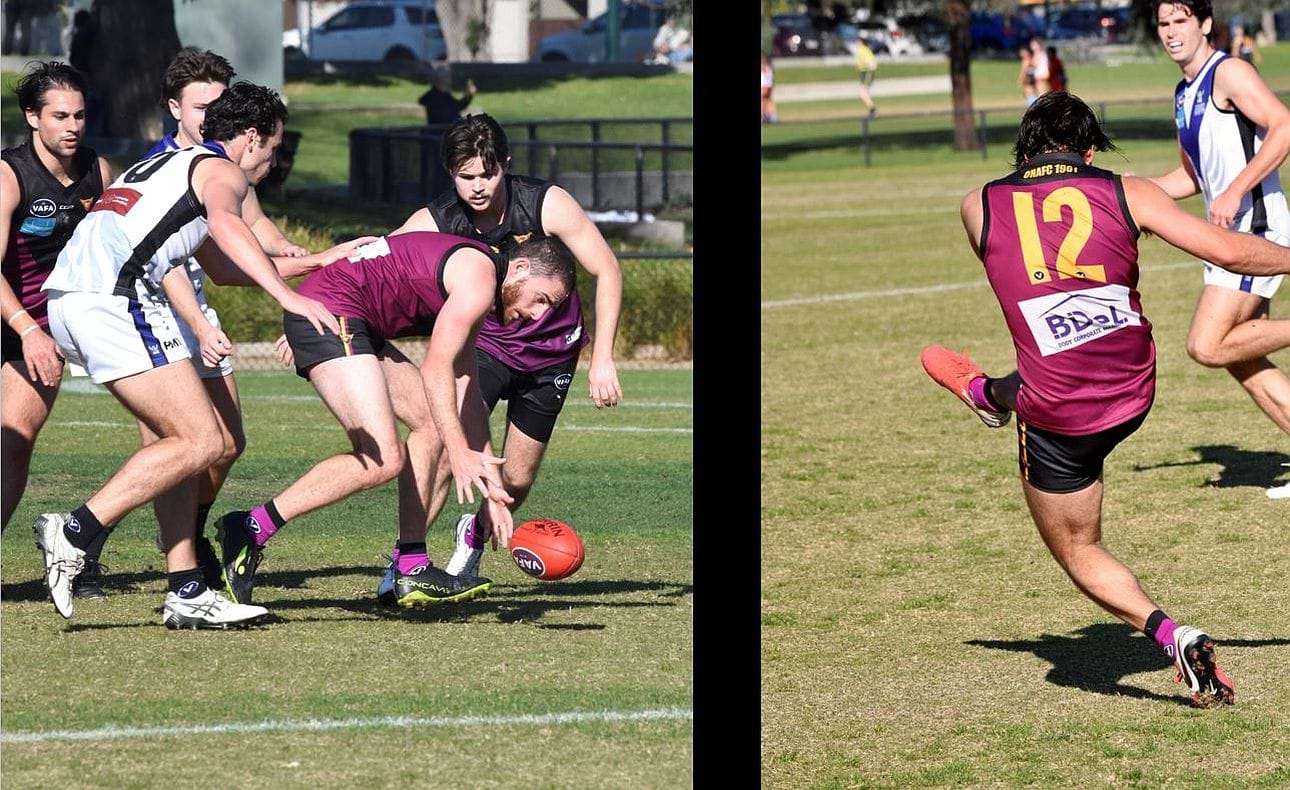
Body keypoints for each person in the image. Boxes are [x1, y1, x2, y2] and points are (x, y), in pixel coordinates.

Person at [921, 92, 1290, 707]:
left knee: (1078, 547)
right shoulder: (1130, 190)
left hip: (1061, 411)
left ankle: (1174, 634)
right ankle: (991, 392)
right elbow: (1228, 252)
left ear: (1024, 148)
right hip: (1133, 387)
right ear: (1090, 149)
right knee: (1051, 370)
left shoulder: (976, 205)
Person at [31, 81, 349, 628]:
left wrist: (319, 262)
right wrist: (289, 300)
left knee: (192, 441)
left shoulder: (182, 167)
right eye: (272, 149)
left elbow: (222, 267)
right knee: (203, 440)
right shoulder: (221, 171)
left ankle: (186, 587)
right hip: (114, 298)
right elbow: (229, 227)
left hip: (78, 298)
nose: (270, 164)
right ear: (250, 137)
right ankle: (76, 531)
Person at [217, 232, 576, 608]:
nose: (537, 314)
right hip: (332, 312)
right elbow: (436, 368)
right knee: (382, 459)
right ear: (519, 268)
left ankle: (411, 564)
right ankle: (250, 527)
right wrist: (459, 451)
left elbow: (463, 381)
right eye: (541, 299)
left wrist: (491, 483)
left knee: (434, 425)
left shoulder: (480, 277)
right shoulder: (480, 280)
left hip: (352, 319)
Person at [373, 113, 623, 595]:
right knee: (449, 448)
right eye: (465, 177)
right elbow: (378, 262)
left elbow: (607, 270)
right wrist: (321, 310)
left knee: (517, 480)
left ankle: (473, 538)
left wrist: (604, 357)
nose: (478, 187)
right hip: (484, 350)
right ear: (451, 174)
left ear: (504, 165)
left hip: (553, 356)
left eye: (487, 174)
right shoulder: (438, 219)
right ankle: (406, 564)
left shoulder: (546, 204)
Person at [1150, 0, 1290, 499]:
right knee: (1243, 359)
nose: (1171, 32)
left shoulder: (1227, 72)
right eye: (1164, 23)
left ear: (1205, 23)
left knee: (1207, 345)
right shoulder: (1184, 92)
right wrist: (1125, 194)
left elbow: (1283, 125)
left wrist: (1235, 190)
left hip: (1254, 232)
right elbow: (1190, 176)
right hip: (1225, 238)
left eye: (1181, 21)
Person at [2, 62, 111, 531]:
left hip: (39, 327)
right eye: (60, 116)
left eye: (79, 116)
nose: (72, 127)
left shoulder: (97, 172)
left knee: (15, 441)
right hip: (18, 320)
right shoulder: (9, 175)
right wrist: (26, 329)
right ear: (32, 117)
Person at [854, 38, 877, 116]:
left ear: (861, 42)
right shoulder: (859, 51)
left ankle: (873, 111)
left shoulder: (864, 50)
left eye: (857, 41)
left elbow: (872, 63)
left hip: (867, 73)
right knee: (862, 94)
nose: (856, 43)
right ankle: (872, 110)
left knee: (863, 93)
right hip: (864, 73)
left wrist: (870, 69)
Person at [761, 54, 776, 124]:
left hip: (766, 88)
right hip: (764, 88)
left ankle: (771, 118)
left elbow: (769, 82)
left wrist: (767, 90)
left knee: (768, 102)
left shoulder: (768, 70)